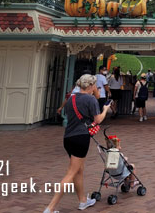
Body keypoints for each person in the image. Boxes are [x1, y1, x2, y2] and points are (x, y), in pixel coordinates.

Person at [44, 75, 110, 213]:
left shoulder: (70, 99)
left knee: (78, 169)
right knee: (71, 172)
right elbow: (97, 120)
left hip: (68, 138)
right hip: (81, 138)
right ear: (91, 86)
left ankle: (82, 201)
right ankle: (50, 208)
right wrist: (105, 109)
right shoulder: (90, 99)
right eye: (95, 86)